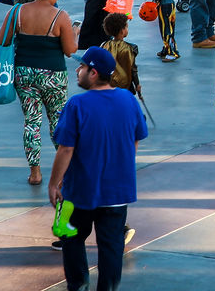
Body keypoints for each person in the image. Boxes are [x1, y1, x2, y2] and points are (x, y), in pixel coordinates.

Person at [49, 46, 148, 291]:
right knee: (112, 246)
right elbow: (134, 140)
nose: (77, 70)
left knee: (71, 237)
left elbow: (66, 149)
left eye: (81, 67)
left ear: (93, 73)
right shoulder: (128, 99)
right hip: (117, 192)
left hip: (80, 192)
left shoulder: (77, 104)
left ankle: (79, 284)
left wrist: (54, 183)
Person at [0, 0, 77, 186]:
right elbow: (70, 50)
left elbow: (1, 41)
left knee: (31, 122)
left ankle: (35, 173)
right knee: (58, 122)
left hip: (24, 73)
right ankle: (64, 173)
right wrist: (75, 33)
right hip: (53, 76)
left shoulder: (17, 12)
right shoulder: (60, 16)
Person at [101, 13, 140, 96]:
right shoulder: (131, 48)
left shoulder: (104, 45)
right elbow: (133, 69)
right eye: (126, 27)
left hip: (108, 85)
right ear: (122, 31)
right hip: (125, 86)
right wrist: (137, 85)